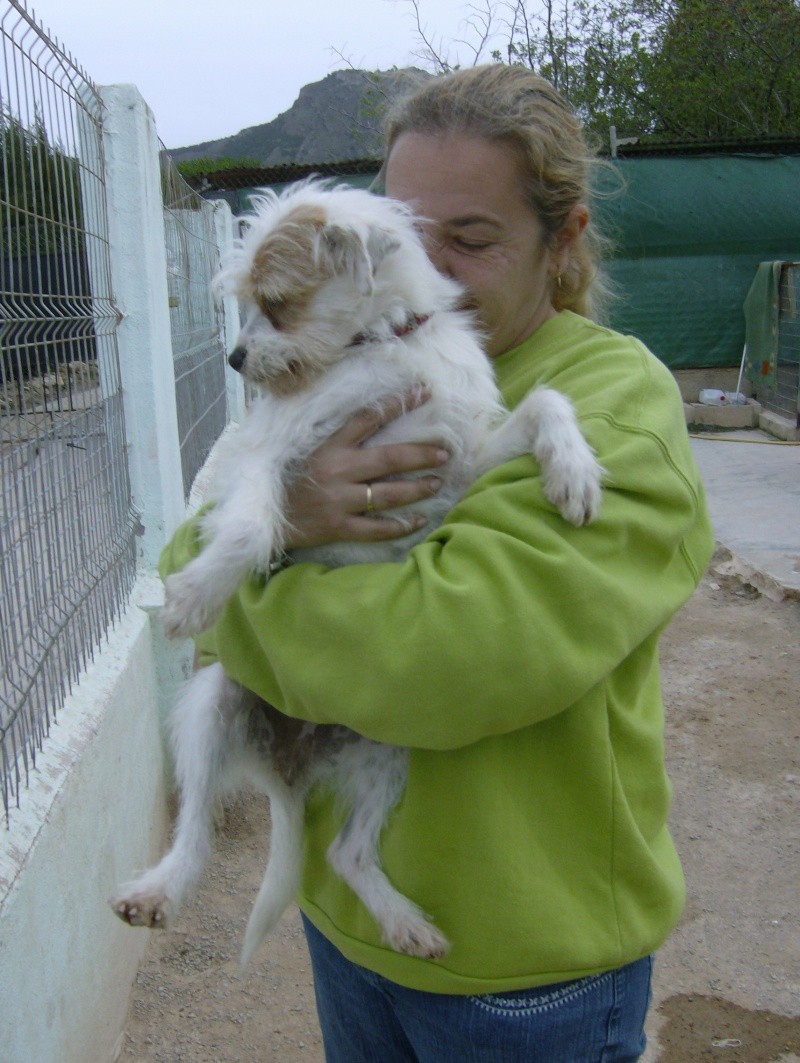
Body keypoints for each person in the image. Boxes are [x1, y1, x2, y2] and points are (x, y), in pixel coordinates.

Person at [160, 65, 714, 1062]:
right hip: (354, 932)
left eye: (472, 237)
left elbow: (438, 663)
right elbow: (182, 550)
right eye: (406, 234)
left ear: (561, 243)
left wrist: (252, 579)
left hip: (523, 977)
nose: (420, 266)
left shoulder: (613, 404)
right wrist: (269, 519)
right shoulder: (339, 359)